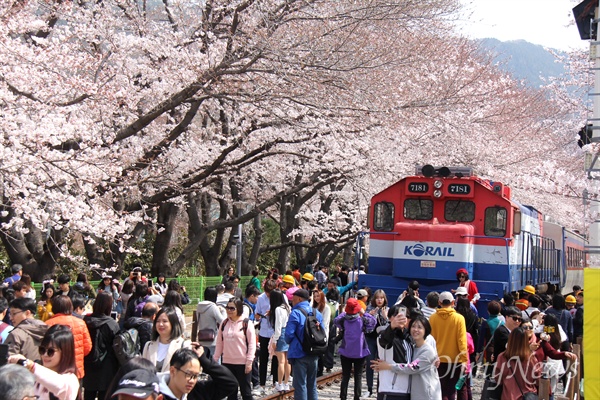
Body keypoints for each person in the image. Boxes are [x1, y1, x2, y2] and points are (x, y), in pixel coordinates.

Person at [372, 315, 441, 400]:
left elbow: (411, 367)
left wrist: (388, 366)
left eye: (419, 327)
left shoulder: (427, 351)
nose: (415, 330)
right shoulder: (412, 347)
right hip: (415, 394)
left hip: (427, 394)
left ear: (426, 330)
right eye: (413, 326)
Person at [9, 324, 80, 400]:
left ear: (65, 352)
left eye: (51, 351)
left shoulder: (70, 380)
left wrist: (29, 365)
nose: (45, 355)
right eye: (42, 350)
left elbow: (58, 385)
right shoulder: (37, 377)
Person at [284, 288, 324, 400]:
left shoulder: (295, 313)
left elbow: (288, 335)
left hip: (299, 353)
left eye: (294, 298)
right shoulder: (317, 313)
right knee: (312, 384)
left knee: (300, 384)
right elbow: (322, 333)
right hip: (314, 353)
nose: (292, 300)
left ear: (299, 299)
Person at [214, 297, 256, 400]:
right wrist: (215, 360)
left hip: (242, 363)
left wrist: (249, 361)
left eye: (232, 308)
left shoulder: (246, 323)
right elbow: (219, 343)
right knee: (231, 393)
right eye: (227, 308)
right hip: (227, 363)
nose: (229, 310)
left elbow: (252, 344)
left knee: (246, 392)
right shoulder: (224, 323)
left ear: (239, 309)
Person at [334, 298, 376, 400]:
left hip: (346, 352)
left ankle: (343, 397)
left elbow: (336, 321)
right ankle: (357, 397)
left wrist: (344, 312)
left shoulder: (343, 320)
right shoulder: (362, 320)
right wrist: (364, 312)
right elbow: (373, 322)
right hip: (359, 352)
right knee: (358, 376)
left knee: (345, 376)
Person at [82, 292, 121, 400]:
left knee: (89, 395)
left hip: (88, 364)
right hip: (107, 366)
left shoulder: (86, 321)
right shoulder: (111, 324)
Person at [429, 291, 467, 400]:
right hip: (455, 359)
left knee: (440, 388)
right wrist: (464, 359)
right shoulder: (459, 318)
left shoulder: (433, 318)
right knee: (451, 390)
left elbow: (431, 340)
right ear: (453, 302)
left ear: (439, 302)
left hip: (438, 358)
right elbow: (462, 341)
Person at [45, 295, 93, 379]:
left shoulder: (48, 324)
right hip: (75, 369)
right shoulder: (80, 323)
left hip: (54, 370)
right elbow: (87, 347)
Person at [374, 303, 413, 400]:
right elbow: (384, 340)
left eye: (405, 316)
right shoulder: (384, 335)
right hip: (390, 390)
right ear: (390, 318)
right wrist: (392, 326)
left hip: (407, 391)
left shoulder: (409, 339)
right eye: (396, 315)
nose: (401, 318)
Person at [493, 327, 541, 400]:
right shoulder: (531, 358)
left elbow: (498, 379)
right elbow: (538, 379)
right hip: (528, 396)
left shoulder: (502, 357)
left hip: (508, 395)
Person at [143, 307, 188, 372]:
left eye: (165, 321)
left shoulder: (183, 345)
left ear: (173, 324)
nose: (161, 324)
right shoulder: (148, 346)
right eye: (158, 321)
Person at [254, 279, 278, 394]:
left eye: (270, 292)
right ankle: (262, 384)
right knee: (263, 358)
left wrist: (272, 313)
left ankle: (275, 382)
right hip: (264, 331)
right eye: (267, 291)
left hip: (274, 332)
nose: (268, 294)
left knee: (275, 358)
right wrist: (259, 316)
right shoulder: (261, 298)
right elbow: (257, 314)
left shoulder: (278, 297)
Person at [365, 289, 389, 396]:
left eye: (381, 298)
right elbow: (364, 325)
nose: (379, 300)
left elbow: (390, 327)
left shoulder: (387, 310)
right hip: (370, 338)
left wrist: (386, 317)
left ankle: (380, 388)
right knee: (370, 362)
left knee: (380, 363)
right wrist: (369, 316)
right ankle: (369, 388)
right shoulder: (369, 309)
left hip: (382, 340)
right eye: (377, 298)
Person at [269, 289, 292, 392]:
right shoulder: (287, 307)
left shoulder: (278, 309)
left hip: (281, 333)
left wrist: (275, 340)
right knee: (287, 361)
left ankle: (279, 383)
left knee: (281, 362)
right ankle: (286, 383)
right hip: (288, 333)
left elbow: (278, 327)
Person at [196, 286, 226, 357]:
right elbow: (222, 321)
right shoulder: (213, 307)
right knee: (214, 362)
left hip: (202, 339)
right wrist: (223, 311)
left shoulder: (199, 306)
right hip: (212, 340)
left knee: (204, 363)